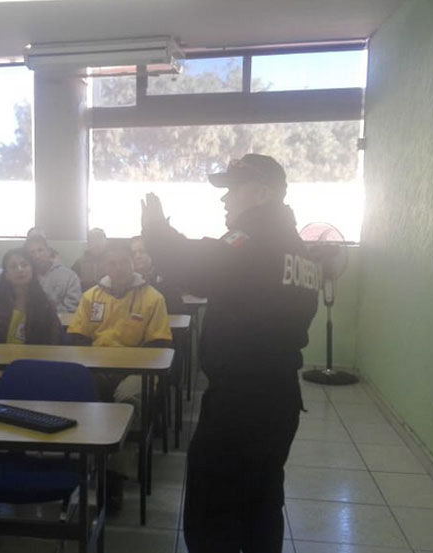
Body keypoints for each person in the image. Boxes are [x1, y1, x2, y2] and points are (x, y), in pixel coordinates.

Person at [140, 153, 319, 553]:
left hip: (240, 402)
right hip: (279, 398)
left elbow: (197, 267)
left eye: (233, 189)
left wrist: (155, 231)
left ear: (262, 193)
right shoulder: (300, 250)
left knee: (211, 508)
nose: (225, 199)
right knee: (262, 499)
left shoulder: (253, 240)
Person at [66, 244, 172, 513]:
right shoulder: (91, 296)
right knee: (83, 393)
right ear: (104, 267)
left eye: (123, 262)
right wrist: (99, 367)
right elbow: (78, 337)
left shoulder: (153, 298)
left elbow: (158, 344)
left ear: (132, 264)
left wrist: (123, 368)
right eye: (111, 263)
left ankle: (114, 475)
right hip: (98, 367)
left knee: (127, 400)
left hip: (138, 369)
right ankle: (86, 461)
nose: (118, 268)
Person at [0, 248, 61, 345]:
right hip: (0, 354)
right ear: (6, 275)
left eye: (24, 265)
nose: (20, 269)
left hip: (36, 353)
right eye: (13, 267)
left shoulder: (45, 302)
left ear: (32, 269)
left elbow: (54, 340)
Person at [24, 234, 81, 313]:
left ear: (49, 252)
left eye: (40, 250)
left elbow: (72, 308)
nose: (37, 256)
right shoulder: (24, 277)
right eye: (32, 252)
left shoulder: (70, 277)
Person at [130, 235, 185, 313]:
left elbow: (177, 308)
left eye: (142, 251)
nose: (137, 256)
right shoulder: (127, 280)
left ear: (151, 252)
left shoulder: (166, 276)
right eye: (133, 253)